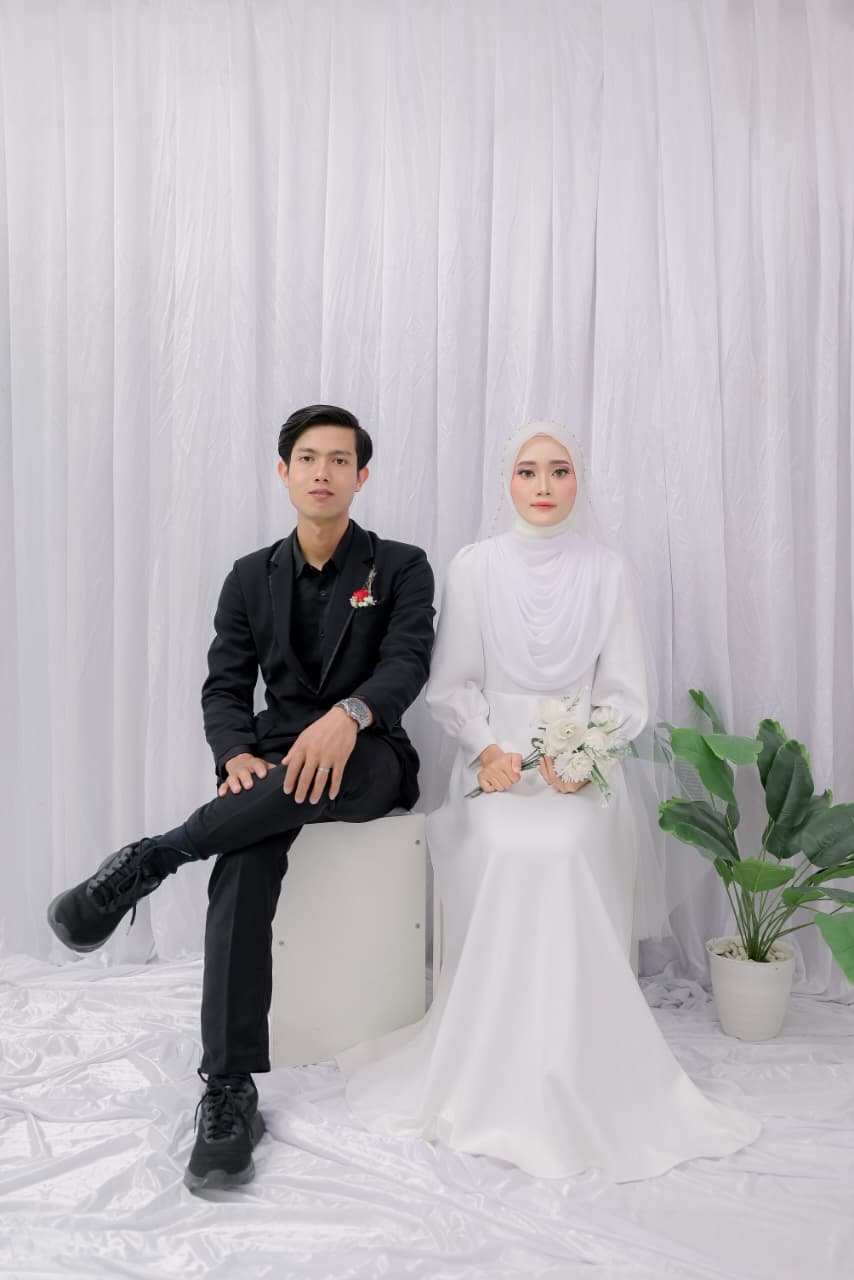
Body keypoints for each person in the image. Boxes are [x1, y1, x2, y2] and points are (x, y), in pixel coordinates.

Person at [338, 421, 760, 1181]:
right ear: (507, 481)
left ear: (578, 481)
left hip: (579, 772)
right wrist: (488, 751)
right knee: (507, 844)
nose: (542, 486)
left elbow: (626, 694)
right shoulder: (474, 568)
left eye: (558, 470)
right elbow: (453, 685)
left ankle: (577, 1053)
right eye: (527, 471)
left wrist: (584, 756)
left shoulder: (608, 571)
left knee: (563, 846)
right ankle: (488, 1053)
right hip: (494, 766)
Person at [47, 404, 435, 1191]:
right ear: (284, 471)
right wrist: (235, 754)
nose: (323, 472)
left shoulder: (401, 567)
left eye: (339, 460)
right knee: (244, 858)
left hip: (370, 757)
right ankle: (228, 1089)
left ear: (362, 476)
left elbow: (406, 663)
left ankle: (156, 856)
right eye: (308, 458)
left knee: (324, 768)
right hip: (274, 763)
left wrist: (349, 716)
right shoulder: (248, 576)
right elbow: (225, 687)